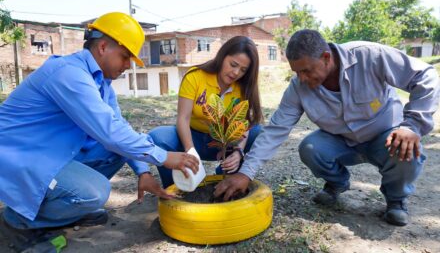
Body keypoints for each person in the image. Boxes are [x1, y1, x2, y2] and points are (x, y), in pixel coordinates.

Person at [0, 12, 199, 251]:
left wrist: (143, 172)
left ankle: (64, 210)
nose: (128, 66)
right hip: (18, 156)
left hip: (48, 152)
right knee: (95, 193)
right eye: (125, 57)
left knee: (115, 153)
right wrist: (165, 157)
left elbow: (120, 128)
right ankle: (18, 221)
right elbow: (110, 133)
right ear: (103, 47)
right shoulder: (69, 73)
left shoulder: (101, 84)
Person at [214, 29, 440, 226]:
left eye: (307, 70)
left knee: (405, 148)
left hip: (385, 138)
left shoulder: (369, 56)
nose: (301, 78)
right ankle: (337, 183)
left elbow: (426, 76)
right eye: (296, 72)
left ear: (325, 57)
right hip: (341, 142)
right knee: (310, 147)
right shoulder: (298, 87)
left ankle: (396, 199)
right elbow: (276, 130)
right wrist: (246, 173)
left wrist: (412, 125)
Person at [149, 36, 263, 188]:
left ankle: (225, 177)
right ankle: (174, 187)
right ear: (222, 57)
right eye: (233, 64)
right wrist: (190, 151)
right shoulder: (195, 76)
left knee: (258, 132)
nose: (236, 73)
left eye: (243, 70)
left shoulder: (243, 87)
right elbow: (183, 119)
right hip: (192, 137)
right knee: (157, 137)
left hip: (223, 143)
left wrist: (238, 152)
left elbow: (245, 124)